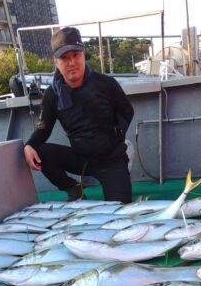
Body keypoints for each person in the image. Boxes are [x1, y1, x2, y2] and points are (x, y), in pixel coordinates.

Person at [23, 27, 135, 203]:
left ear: (83, 55)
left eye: (76, 55)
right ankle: (73, 188)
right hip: (81, 159)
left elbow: (127, 111)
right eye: (64, 58)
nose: (71, 62)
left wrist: (118, 140)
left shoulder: (106, 84)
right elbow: (43, 128)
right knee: (39, 150)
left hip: (112, 160)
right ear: (56, 62)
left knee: (121, 211)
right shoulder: (53, 94)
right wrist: (29, 145)